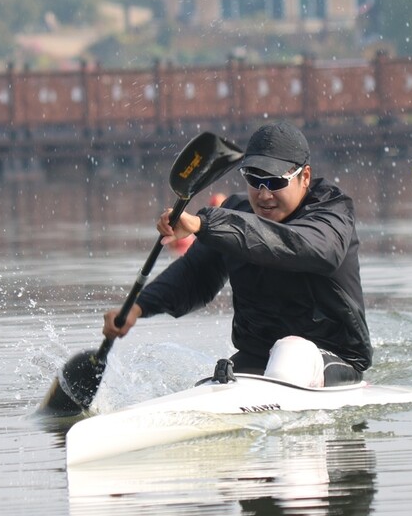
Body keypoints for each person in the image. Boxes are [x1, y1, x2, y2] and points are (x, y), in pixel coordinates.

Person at [103, 120, 372, 387]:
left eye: (275, 182)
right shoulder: (236, 214)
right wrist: (139, 307)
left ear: (305, 178)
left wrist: (203, 224)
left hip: (334, 358)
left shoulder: (332, 214)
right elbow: (195, 276)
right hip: (258, 357)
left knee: (291, 353)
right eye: (255, 180)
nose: (264, 195)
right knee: (212, 383)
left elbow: (300, 247)